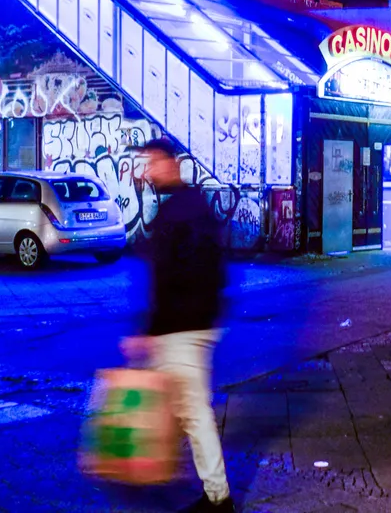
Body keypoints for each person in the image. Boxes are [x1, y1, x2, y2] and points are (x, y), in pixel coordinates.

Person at [120, 138, 232, 512]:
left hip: (182, 328)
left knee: (193, 412)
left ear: (170, 164)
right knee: (176, 407)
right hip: (192, 322)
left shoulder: (177, 213)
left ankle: (218, 497)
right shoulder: (195, 205)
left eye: (152, 162)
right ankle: (158, 473)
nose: (148, 170)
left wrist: (150, 331)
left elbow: (167, 277)